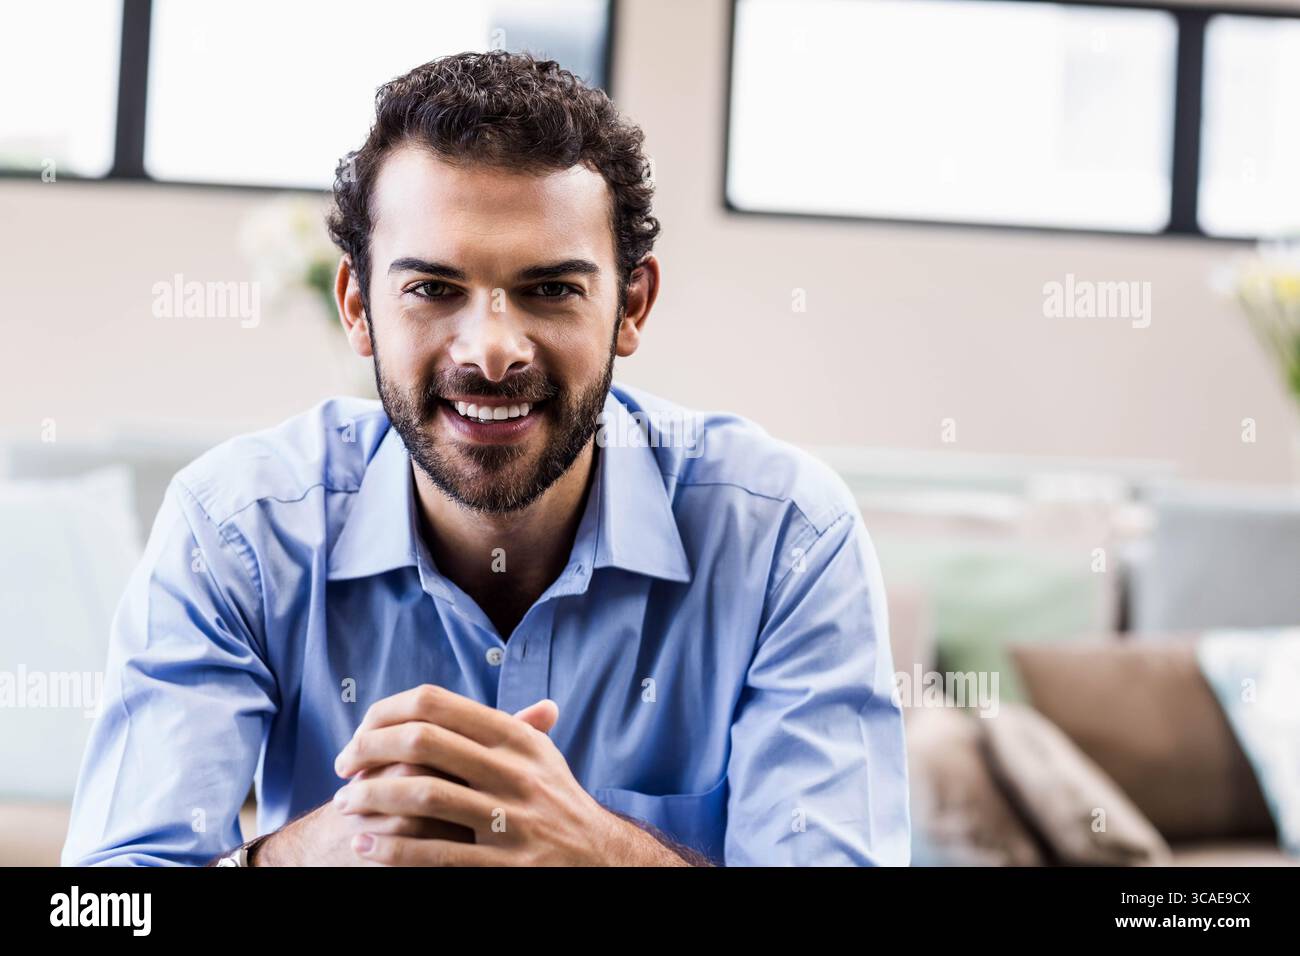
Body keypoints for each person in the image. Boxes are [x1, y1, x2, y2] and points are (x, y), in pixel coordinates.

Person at [62, 50, 908, 867]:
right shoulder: (235, 530)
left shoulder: (788, 537)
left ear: (631, 306)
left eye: (550, 289)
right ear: (359, 307)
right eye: (433, 288)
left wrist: (603, 855)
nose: (493, 351)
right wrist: (291, 860)